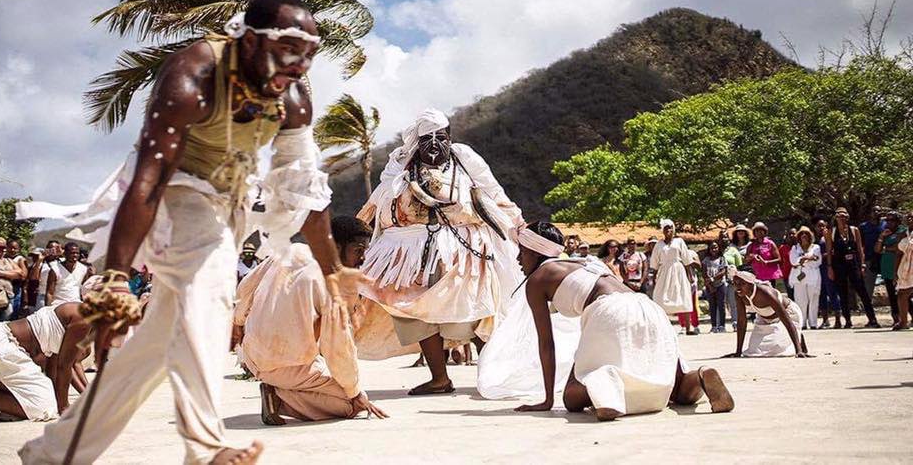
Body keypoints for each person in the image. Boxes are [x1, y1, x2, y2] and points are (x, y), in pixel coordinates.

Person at [18, 0, 354, 465]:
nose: (299, 67)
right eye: (288, 52)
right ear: (252, 42)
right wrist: (113, 278)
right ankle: (206, 448)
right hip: (176, 201)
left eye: (309, 56)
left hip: (230, 209)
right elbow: (148, 182)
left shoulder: (293, 98)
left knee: (148, 355)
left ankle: (52, 454)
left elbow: (308, 193)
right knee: (214, 287)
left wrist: (333, 272)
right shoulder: (191, 78)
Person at [356, 109, 524, 396]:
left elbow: (495, 195)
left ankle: (494, 374)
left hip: (465, 252)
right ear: (416, 142)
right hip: (407, 257)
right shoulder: (400, 168)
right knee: (413, 313)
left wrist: (518, 227)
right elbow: (375, 207)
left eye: (441, 137)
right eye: (427, 139)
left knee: (477, 310)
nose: (434, 144)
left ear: (450, 138)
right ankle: (439, 379)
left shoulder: (466, 162)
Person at [512, 222, 734, 419]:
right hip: (647, 307)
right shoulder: (584, 262)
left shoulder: (537, 280)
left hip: (609, 310)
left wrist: (548, 400)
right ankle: (700, 376)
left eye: (521, 252)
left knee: (572, 397)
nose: (517, 259)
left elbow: (546, 343)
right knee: (675, 387)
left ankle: (605, 391)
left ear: (535, 250)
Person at [233, 216, 386, 424]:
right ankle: (278, 398)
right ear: (337, 246)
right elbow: (339, 350)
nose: (363, 259)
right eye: (358, 251)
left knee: (340, 384)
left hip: (252, 354)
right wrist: (355, 392)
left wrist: (239, 322)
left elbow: (246, 287)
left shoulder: (293, 251)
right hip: (286, 365)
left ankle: (278, 386)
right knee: (351, 403)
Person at [0, 303, 90, 422]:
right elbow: (65, 365)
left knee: (38, 397)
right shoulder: (83, 318)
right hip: (2, 346)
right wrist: (63, 407)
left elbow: (54, 367)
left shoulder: (77, 310)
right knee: (43, 408)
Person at [727, 271, 809, 357]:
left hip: (789, 315)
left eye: (742, 283)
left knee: (778, 349)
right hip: (764, 318)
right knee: (754, 351)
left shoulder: (766, 293)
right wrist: (738, 352)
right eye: (735, 283)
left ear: (751, 284)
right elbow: (742, 321)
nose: (738, 287)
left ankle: (799, 338)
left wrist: (798, 350)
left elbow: (787, 320)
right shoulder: (739, 294)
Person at [825, 208, 880, 328]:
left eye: (844, 216)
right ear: (836, 218)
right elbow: (829, 251)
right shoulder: (832, 232)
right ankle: (848, 320)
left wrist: (863, 264)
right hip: (839, 264)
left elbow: (860, 249)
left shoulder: (854, 230)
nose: (842, 218)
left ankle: (872, 319)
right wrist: (830, 267)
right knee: (842, 292)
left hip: (853, 263)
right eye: (839, 216)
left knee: (862, 291)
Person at [650, 220, 696, 335]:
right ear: (663, 230)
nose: (668, 230)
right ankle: (662, 328)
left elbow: (686, 260)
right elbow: (654, 263)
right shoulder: (659, 244)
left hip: (678, 271)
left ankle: (688, 328)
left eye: (670, 228)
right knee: (660, 298)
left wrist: (690, 275)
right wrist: (653, 277)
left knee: (683, 297)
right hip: (664, 272)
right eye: (666, 228)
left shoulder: (679, 242)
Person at [875, 212, 907, 326]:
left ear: (898, 221)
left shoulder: (903, 231)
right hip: (887, 267)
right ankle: (896, 318)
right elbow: (877, 250)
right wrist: (881, 237)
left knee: (904, 294)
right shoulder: (885, 232)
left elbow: (900, 248)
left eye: (892, 220)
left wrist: (886, 248)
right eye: (887, 220)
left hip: (900, 267)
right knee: (892, 295)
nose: (889, 222)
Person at [789, 226, 822, 329]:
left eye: (806, 234)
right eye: (802, 234)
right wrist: (806, 258)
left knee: (813, 300)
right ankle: (802, 324)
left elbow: (818, 261)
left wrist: (808, 259)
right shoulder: (795, 248)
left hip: (813, 276)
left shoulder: (816, 247)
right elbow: (793, 261)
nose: (804, 236)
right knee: (800, 301)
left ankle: (813, 324)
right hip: (799, 277)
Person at [815, 219, 842, 329]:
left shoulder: (830, 237)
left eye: (823, 225)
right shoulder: (814, 239)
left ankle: (838, 320)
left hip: (828, 267)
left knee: (832, 293)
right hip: (818, 269)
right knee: (821, 294)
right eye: (818, 226)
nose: (821, 228)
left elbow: (833, 251)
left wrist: (822, 256)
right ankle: (825, 320)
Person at [702, 241, 729, 333]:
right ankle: (713, 326)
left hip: (720, 284)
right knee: (712, 306)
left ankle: (722, 325)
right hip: (710, 286)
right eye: (712, 248)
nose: (714, 249)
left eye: (716, 247)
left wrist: (713, 279)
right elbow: (704, 273)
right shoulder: (706, 260)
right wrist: (709, 285)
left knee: (721, 306)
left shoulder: (722, 259)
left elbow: (723, 271)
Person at [892, 211, 913, 329]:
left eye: (912, 217)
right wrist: (895, 272)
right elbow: (898, 254)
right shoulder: (903, 235)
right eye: (908, 217)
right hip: (906, 267)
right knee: (902, 294)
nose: (910, 219)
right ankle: (903, 322)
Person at [859, 206, 885, 300]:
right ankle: (867, 306)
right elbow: (860, 244)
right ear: (870, 213)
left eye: (878, 210)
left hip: (884, 257)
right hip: (869, 258)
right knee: (868, 284)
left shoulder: (885, 225)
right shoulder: (863, 226)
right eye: (874, 210)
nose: (876, 212)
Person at [746, 222, 782, 287]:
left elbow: (779, 259)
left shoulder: (770, 243)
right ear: (754, 233)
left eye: (761, 230)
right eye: (757, 230)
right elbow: (746, 260)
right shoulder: (751, 245)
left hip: (770, 275)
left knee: (770, 294)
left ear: (764, 231)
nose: (759, 232)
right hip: (756, 275)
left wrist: (766, 262)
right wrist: (751, 257)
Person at [720, 230, 742, 330]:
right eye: (721, 237)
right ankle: (720, 325)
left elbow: (739, 266)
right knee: (720, 303)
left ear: (729, 238)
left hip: (731, 281)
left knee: (733, 303)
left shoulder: (733, 251)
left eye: (725, 236)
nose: (723, 239)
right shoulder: (716, 249)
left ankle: (735, 323)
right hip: (719, 281)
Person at [6, 238, 29, 319]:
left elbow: (24, 276)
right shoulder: (3, 258)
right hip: (3, 289)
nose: (12, 250)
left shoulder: (20, 259)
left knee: (13, 312)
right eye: (10, 247)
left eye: (15, 248)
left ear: (19, 249)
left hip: (15, 288)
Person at [778, 229, 796, 299]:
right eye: (790, 234)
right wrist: (781, 271)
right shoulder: (782, 248)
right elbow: (780, 261)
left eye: (793, 234)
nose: (791, 235)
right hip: (787, 275)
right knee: (790, 294)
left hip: (799, 275)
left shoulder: (799, 247)